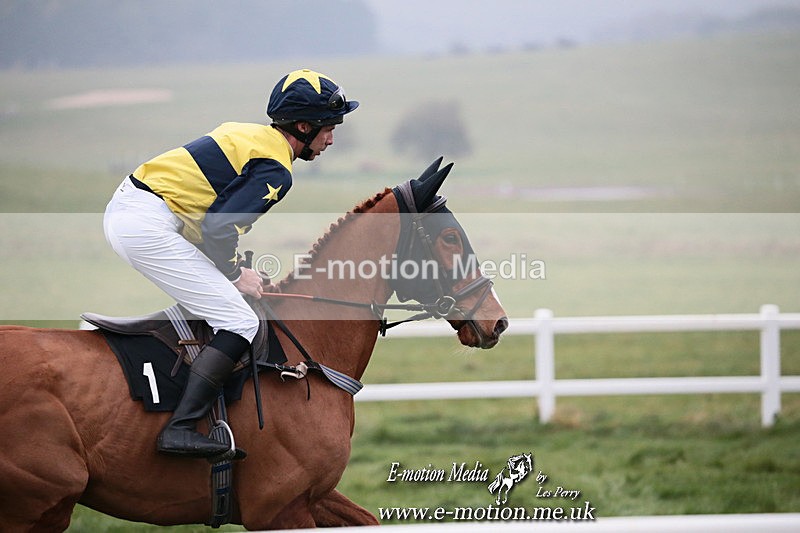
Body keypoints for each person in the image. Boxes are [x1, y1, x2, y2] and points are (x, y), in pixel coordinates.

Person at [103, 69, 359, 458]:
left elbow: (212, 221)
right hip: (146, 225)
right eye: (328, 128)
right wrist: (236, 273)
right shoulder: (276, 169)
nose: (331, 139)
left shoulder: (251, 135)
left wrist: (234, 269)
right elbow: (218, 226)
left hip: (137, 212)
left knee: (224, 302)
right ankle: (180, 428)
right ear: (304, 127)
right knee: (240, 321)